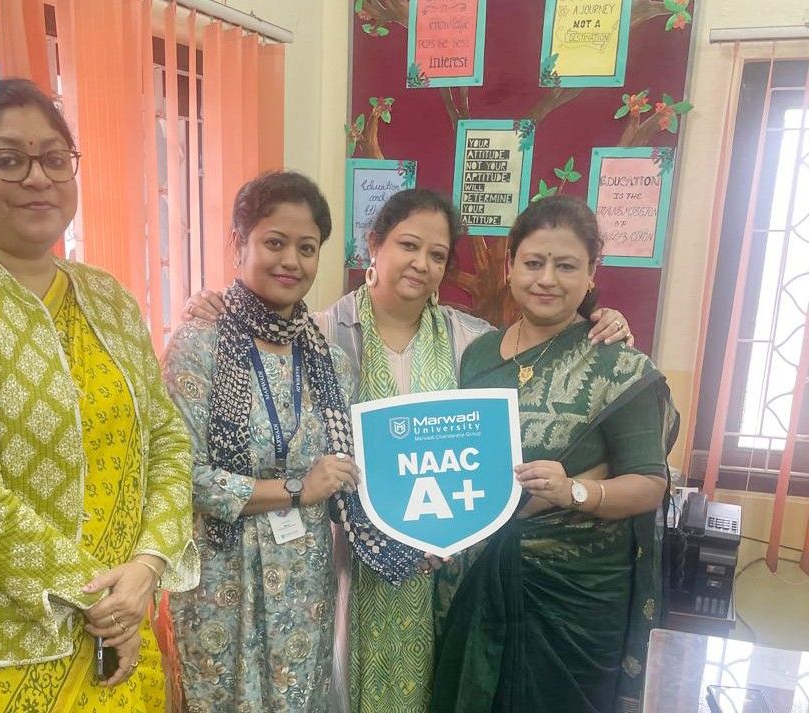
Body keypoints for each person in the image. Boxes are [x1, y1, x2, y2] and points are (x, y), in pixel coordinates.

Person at [183, 188, 635, 713]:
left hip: (446, 555)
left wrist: (601, 321)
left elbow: (527, 385)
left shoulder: (472, 341)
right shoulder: (322, 333)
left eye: (437, 255)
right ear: (373, 246)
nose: (422, 263)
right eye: (408, 245)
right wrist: (211, 306)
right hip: (347, 552)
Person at [0, 79, 198, 712]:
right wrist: (102, 597)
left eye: (54, 158)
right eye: (7, 159)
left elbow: (166, 438)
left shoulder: (106, 297)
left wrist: (148, 566)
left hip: (116, 623)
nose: (38, 178)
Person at [430, 195, 679, 713]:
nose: (547, 279)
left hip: (576, 598)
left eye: (566, 266)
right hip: (478, 577)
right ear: (510, 267)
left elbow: (649, 484)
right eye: (533, 262)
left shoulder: (618, 365)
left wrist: (575, 491)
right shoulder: (477, 353)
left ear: (592, 274)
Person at [161, 171, 360, 712]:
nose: (290, 261)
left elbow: (346, 471)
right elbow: (185, 475)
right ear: (239, 243)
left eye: (307, 248)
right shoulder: (198, 345)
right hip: (223, 577)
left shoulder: (331, 363)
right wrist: (298, 488)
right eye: (275, 242)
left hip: (304, 577)